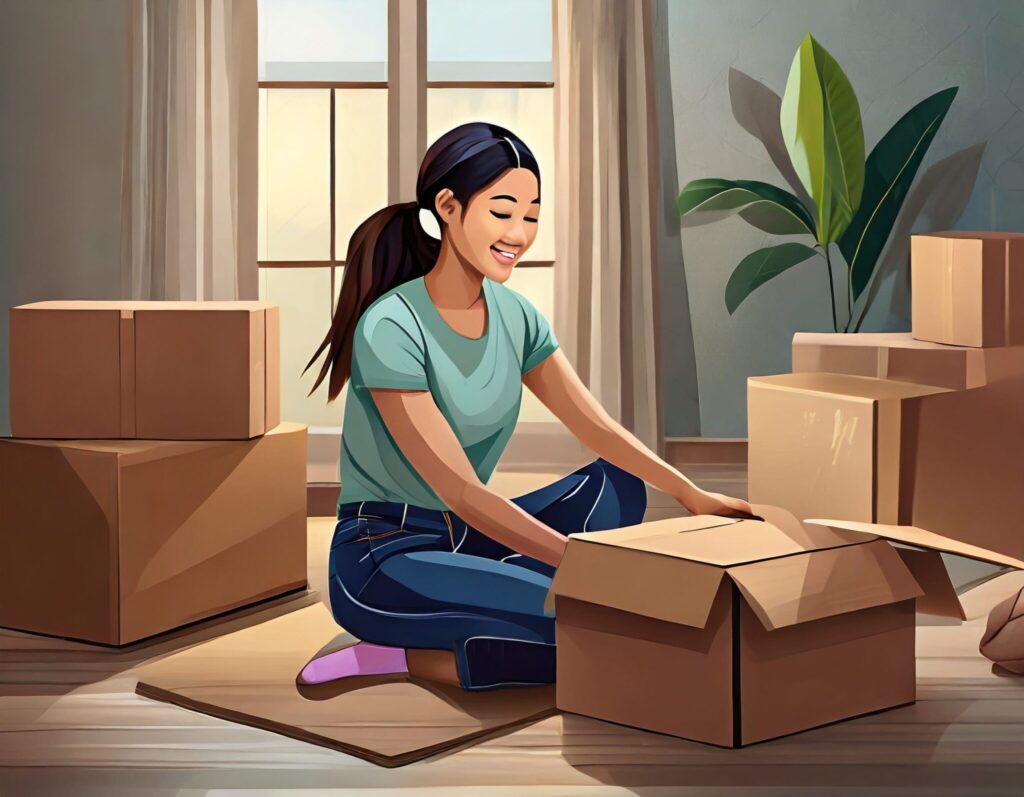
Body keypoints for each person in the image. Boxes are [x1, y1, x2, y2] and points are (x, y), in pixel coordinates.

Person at [304, 121, 755, 691]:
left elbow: (595, 426)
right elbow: (461, 491)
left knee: (618, 484)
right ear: (448, 206)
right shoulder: (391, 326)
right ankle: (393, 656)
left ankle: (497, 588)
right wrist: (587, 566)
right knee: (589, 632)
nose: (518, 233)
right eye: (502, 211)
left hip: (467, 536)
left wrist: (692, 493)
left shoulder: (516, 316)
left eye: (532, 215)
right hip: (385, 556)